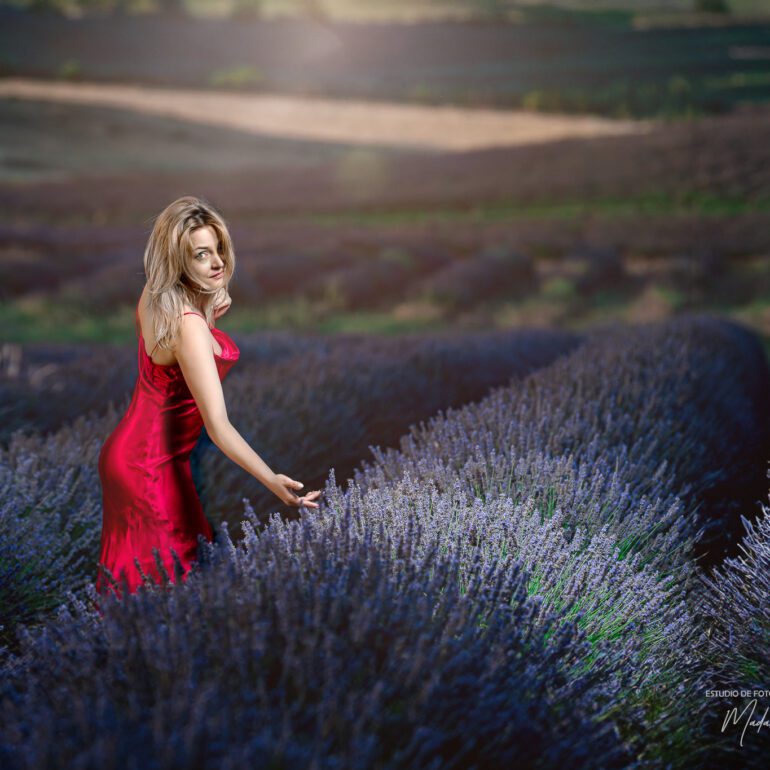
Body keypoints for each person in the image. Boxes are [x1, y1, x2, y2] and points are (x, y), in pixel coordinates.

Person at [96, 196, 321, 601]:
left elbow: (176, 364)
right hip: (152, 466)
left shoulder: (153, 297)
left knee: (143, 582)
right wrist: (272, 481)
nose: (217, 263)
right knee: (171, 580)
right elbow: (218, 426)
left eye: (219, 249)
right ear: (177, 260)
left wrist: (209, 307)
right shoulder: (190, 327)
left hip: (130, 455)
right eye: (201, 255)